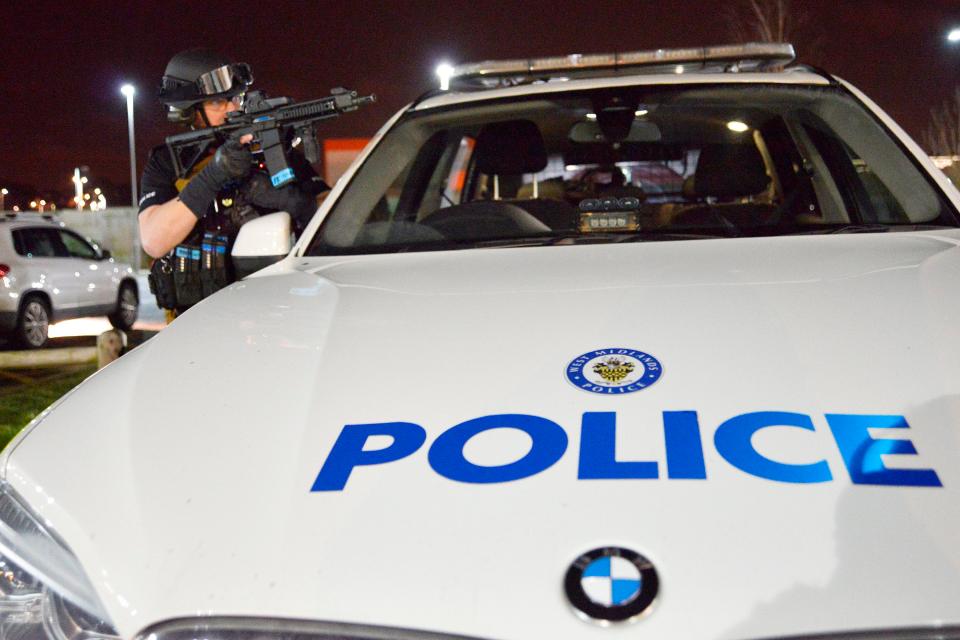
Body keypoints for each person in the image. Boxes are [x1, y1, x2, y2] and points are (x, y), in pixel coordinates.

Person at [139, 49, 328, 311]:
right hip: (198, 317)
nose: (233, 108)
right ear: (189, 110)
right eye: (218, 103)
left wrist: (298, 202)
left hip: (276, 307)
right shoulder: (167, 162)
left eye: (235, 98)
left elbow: (332, 215)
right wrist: (214, 174)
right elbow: (153, 240)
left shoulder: (271, 148)